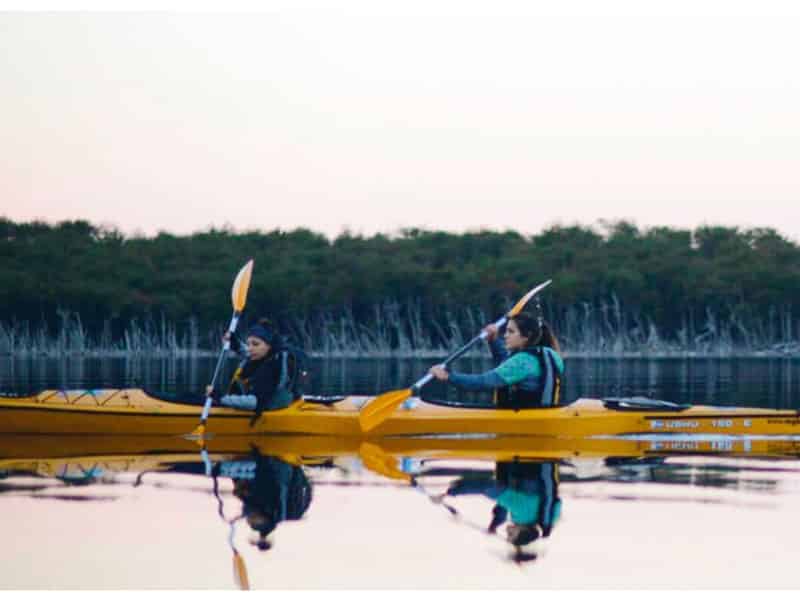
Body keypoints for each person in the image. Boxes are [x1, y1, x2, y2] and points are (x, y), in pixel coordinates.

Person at [428, 312, 565, 409]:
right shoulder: (551, 355)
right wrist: (493, 340)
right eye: (505, 331)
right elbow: (507, 363)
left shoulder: (522, 362)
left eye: (511, 332)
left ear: (526, 336)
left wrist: (448, 376)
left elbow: (482, 382)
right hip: (541, 415)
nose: (505, 336)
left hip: (519, 421)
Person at [437, 460, 562, 562]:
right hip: (526, 463)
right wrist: (451, 492)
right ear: (523, 530)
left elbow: (505, 505)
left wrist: (495, 524)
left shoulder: (545, 519)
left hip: (546, 466)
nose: (507, 532)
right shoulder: (521, 509)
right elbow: (487, 487)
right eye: (511, 534)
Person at [206, 318, 308, 423]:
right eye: (249, 344)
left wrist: (220, 397)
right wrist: (234, 343)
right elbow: (248, 352)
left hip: (268, 407)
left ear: (269, 345)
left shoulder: (271, 367)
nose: (250, 348)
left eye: (255, 344)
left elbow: (254, 402)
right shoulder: (266, 355)